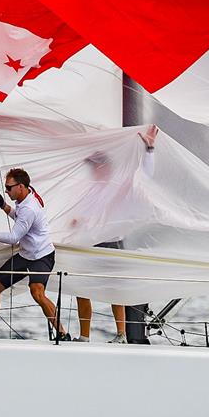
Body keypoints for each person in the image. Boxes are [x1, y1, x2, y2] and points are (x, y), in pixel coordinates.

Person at [75, 125, 158, 344]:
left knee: (115, 290)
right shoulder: (89, 190)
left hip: (112, 243)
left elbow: (145, 178)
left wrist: (149, 150)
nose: (92, 170)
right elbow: (85, 218)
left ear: (104, 167)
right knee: (81, 289)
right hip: (90, 245)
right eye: (91, 166)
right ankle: (84, 336)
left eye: (95, 166)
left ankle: (121, 334)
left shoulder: (117, 186)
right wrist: (77, 223)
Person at [0, 168, 70, 340]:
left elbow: (13, 237)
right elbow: (19, 216)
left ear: (21, 186)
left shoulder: (29, 208)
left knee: (37, 293)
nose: (6, 191)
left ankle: (62, 333)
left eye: (9, 188)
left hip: (41, 256)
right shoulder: (27, 196)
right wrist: (4, 206)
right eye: (6, 188)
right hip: (26, 255)